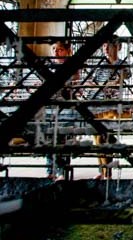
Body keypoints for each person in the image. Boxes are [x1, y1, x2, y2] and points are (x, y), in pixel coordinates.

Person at [90, 36, 131, 179]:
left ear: (118, 47)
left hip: (112, 107)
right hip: (97, 105)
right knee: (97, 139)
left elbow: (126, 75)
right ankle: (103, 172)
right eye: (104, 46)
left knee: (105, 138)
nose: (106, 49)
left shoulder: (122, 64)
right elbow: (92, 81)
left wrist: (115, 78)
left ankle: (107, 172)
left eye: (109, 46)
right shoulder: (100, 65)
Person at [46, 40, 80, 180]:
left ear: (66, 51)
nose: (55, 52)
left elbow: (74, 84)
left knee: (64, 138)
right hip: (52, 106)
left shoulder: (72, 67)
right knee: (50, 137)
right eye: (54, 49)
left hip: (66, 107)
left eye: (59, 49)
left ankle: (62, 171)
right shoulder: (49, 67)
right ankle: (51, 170)